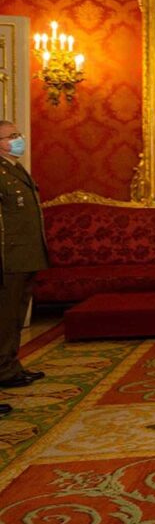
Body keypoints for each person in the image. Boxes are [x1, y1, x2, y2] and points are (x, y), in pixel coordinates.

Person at [0, 121, 47, 417]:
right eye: (12, 136)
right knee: (6, 316)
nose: (19, 140)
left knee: (16, 314)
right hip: (9, 257)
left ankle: (10, 367)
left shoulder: (14, 169)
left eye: (19, 134)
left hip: (26, 255)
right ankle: (4, 369)